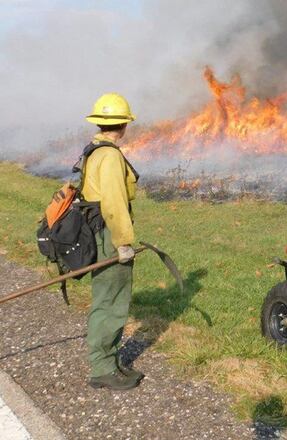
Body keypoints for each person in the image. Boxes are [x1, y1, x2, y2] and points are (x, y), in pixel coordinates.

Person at [81, 93, 143, 390]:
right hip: (109, 234)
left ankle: (110, 360)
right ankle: (103, 368)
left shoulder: (94, 149)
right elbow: (115, 204)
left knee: (107, 298)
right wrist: (123, 243)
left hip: (98, 232)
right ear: (124, 125)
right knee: (112, 301)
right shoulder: (110, 155)